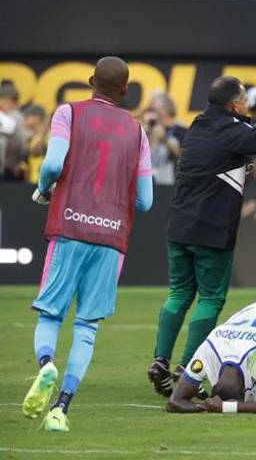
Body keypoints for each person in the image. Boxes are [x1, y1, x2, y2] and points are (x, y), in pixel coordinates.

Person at [148, 76, 256, 397]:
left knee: (179, 293)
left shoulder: (198, 125)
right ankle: (188, 369)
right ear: (235, 105)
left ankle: (160, 360)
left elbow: (247, 134)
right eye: (244, 100)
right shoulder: (233, 132)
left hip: (179, 223)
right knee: (210, 298)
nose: (247, 104)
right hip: (211, 227)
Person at [22, 57, 153, 433]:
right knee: (87, 328)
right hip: (112, 237)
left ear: (91, 80)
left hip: (69, 226)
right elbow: (145, 201)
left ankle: (46, 364)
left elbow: (51, 165)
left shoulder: (69, 113)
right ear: (125, 90)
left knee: (50, 315)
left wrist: (44, 189)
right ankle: (61, 409)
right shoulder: (138, 131)